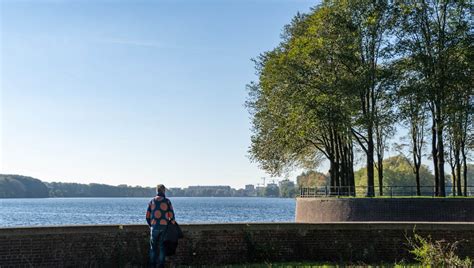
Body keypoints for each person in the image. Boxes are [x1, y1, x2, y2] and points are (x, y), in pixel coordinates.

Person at [146, 184, 176, 268]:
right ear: (164, 191)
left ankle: (152, 266)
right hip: (164, 227)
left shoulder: (152, 201)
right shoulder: (167, 201)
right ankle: (161, 266)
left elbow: (147, 216)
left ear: (157, 191)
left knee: (153, 248)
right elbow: (172, 217)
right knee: (162, 247)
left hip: (154, 227)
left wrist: (151, 225)